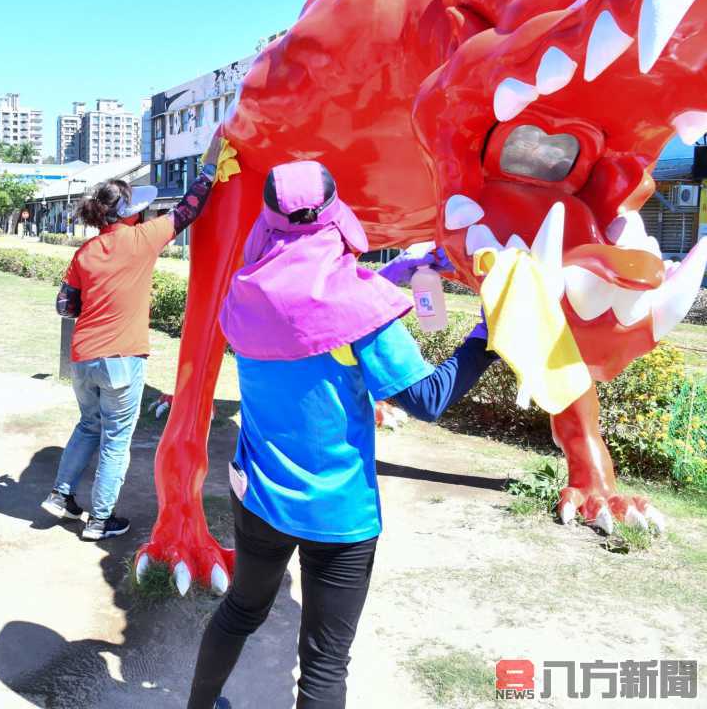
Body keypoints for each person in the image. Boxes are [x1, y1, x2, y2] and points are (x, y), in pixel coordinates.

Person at [187, 161, 497, 709]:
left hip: (258, 496)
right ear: (335, 213)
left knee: (240, 610)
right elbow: (425, 399)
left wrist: (396, 274)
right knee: (325, 664)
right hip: (340, 512)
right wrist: (485, 337)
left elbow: (304, 304)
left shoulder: (243, 292)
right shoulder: (359, 310)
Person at [41, 135, 223, 541]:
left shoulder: (85, 251)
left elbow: (65, 307)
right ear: (130, 215)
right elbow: (189, 208)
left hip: (82, 358)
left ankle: (60, 495)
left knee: (89, 426)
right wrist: (209, 166)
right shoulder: (143, 240)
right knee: (116, 441)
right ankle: (100, 520)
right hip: (122, 357)